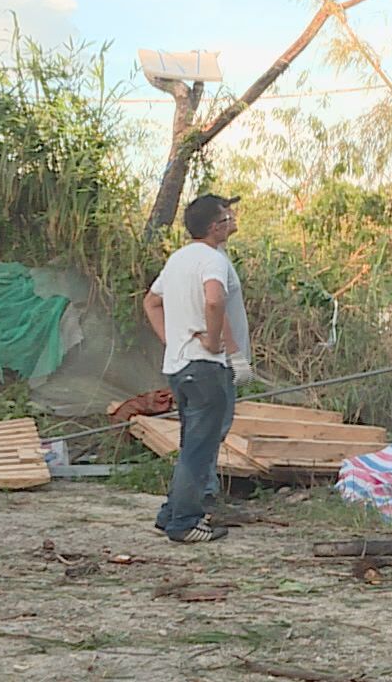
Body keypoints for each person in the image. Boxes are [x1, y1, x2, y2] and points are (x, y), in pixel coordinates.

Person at [142, 193, 254, 543]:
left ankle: (171, 513)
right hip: (207, 367)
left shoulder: (178, 259)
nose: (231, 220)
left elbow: (151, 301)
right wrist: (219, 346)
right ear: (213, 227)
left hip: (180, 366)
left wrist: (171, 340)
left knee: (194, 441)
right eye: (225, 217)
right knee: (200, 447)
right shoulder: (211, 259)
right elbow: (214, 299)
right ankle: (184, 523)